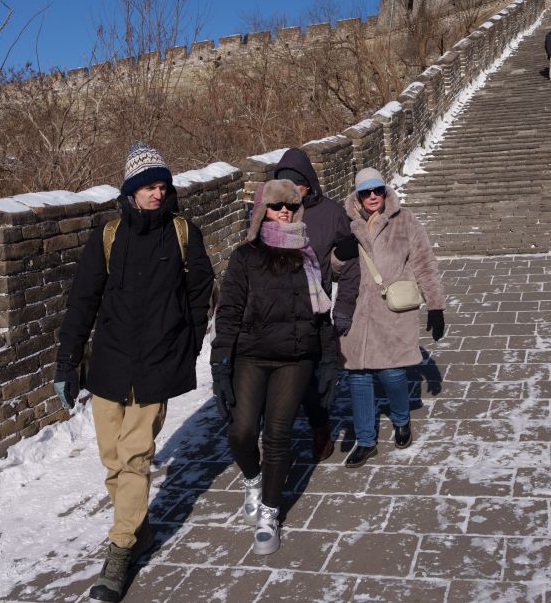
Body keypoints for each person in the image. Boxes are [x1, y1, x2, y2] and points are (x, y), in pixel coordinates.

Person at [53, 143, 215, 602]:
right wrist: (67, 362)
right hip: (109, 363)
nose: (158, 194)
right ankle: (139, 530)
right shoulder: (107, 237)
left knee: (136, 456)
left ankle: (119, 552)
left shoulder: (184, 233)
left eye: (163, 186)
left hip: (156, 363)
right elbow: (82, 301)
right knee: (113, 461)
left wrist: (190, 340)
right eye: (148, 187)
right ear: (129, 191)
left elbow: (201, 291)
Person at [210, 180, 340, 555]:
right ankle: (252, 478)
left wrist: (329, 357)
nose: (284, 210)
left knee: (279, 436)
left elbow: (321, 315)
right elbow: (229, 311)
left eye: (290, 205)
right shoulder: (245, 257)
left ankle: (269, 511)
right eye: (276, 205)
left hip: (295, 358)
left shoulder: (306, 255)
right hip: (251, 353)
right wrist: (221, 362)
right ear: (262, 210)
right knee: (241, 431)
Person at [339, 168, 445, 467]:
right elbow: (332, 268)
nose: (373, 197)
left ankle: (401, 421)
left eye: (378, 191)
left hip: (393, 310)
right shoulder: (346, 224)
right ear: (356, 196)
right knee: (357, 376)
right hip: (357, 313)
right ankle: (365, 441)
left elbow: (425, 263)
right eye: (366, 192)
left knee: (392, 373)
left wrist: (436, 306)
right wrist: (340, 254)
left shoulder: (405, 220)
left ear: (385, 191)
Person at [271, 148, 360, 461]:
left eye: (297, 186)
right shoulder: (271, 212)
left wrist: (344, 307)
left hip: (316, 312)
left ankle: (320, 427)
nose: (291, 194)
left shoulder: (331, 214)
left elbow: (351, 263)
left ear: (309, 184)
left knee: (320, 377)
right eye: (283, 187)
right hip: (277, 316)